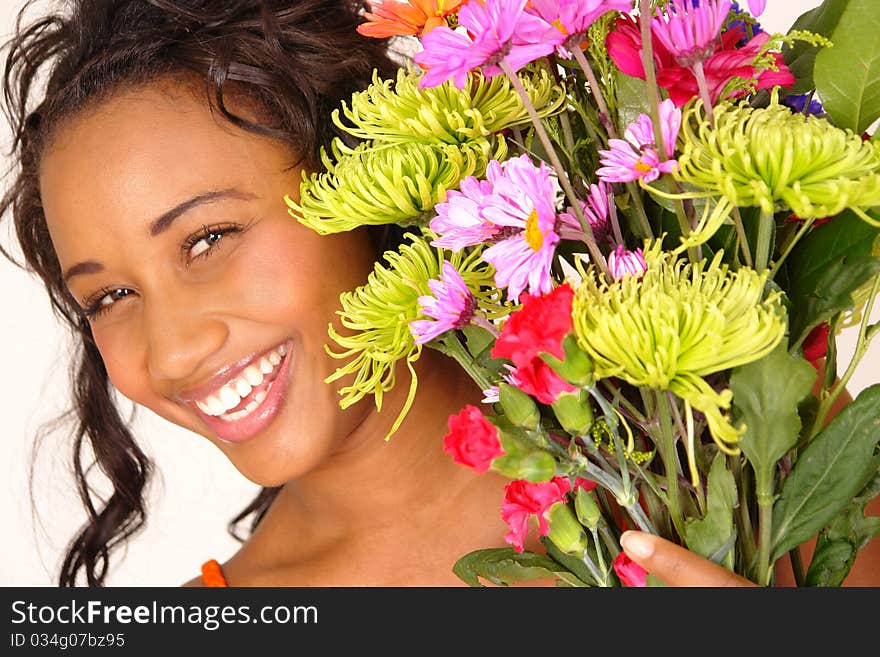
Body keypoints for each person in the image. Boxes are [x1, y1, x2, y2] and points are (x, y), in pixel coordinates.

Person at [1, 0, 877, 588]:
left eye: (208, 239)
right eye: (109, 295)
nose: (174, 349)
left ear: (357, 180)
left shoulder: (727, 441)